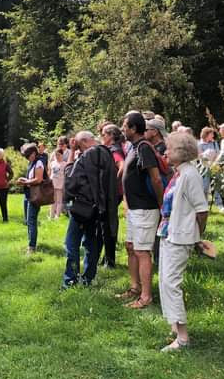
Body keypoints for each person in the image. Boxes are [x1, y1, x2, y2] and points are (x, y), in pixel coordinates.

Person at [158, 132, 209, 351]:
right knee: (164, 280)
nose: (165, 152)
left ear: (180, 152)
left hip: (181, 236)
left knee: (171, 282)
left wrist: (198, 236)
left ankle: (183, 337)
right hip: (169, 232)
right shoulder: (179, 173)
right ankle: (173, 325)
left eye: (169, 149)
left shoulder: (190, 175)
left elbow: (202, 209)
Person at [118, 112, 164, 309]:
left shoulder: (144, 147)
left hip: (145, 208)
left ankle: (146, 297)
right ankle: (135, 287)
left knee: (142, 251)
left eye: (125, 126)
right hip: (134, 209)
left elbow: (155, 178)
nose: (122, 129)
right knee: (130, 246)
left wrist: (163, 207)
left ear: (134, 129)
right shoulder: (132, 147)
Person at [62, 131, 117, 288]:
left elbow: (71, 180)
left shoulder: (87, 155)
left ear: (85, 142)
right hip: (98, 209)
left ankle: (70, 281)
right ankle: (88, 279)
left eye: (79, 146)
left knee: (71, 243)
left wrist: (72, 152)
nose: (79, 150)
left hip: (82, 208)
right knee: (91, 243)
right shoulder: (107, 154)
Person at [99, 124, 125, 268]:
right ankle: (107, 258)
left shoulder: (114, 150)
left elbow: (122, 165)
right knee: (107, 225)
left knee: (108, 225)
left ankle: (110, 261)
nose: (102, 137)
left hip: (112, 194)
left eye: (103, 135)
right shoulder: (115, 148)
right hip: (114, 193)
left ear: (110, 136)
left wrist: (114, 181)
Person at [17, 143, 45, 254]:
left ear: (33, 153)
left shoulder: (39, 162)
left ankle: (32, 247)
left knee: (32, 221)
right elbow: (31, 178)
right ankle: (30, 244)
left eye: (27, 155)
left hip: (35, 196)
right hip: (28, 194)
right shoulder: (31, 162)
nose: (26, 158)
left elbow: (38, 179)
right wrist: (24, 179)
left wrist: (25, 182)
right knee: (28, 221)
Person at [48, 149, 66, 220]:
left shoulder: (65, 164)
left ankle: (57, 216)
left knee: (59, 201)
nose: (57, 156)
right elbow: (50, 172)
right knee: (52, 200)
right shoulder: (52, 163)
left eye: (58, 155)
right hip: (53, 183)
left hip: (60, 184)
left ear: (62, 155)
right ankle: (51, 215)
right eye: (56, 155)